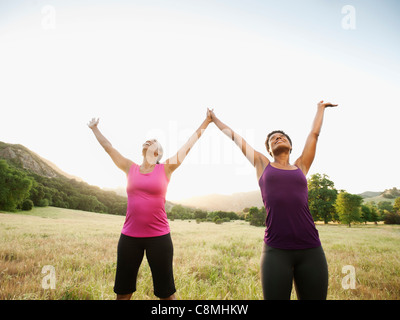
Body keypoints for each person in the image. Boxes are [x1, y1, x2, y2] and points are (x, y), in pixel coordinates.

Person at [209, 100, 337, 300]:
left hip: (311, 248)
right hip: (276, 250)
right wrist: (215, 119)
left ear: (291, 146)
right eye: (273, 139)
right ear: (268, 150)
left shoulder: (301, 166)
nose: (278, 138)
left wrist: (320, 109)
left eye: (282, 137)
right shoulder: (263, 165)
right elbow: (237, 138)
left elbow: (314, 134)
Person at [87, 109, 212, 300]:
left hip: (159, 237)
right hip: (129, 237)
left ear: (159, 152)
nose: (148, 140)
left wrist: (206, 121)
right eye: (147, 140)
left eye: (153, 141)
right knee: (123, 291)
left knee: (166, 293)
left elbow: (188, 145)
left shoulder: (166, 168)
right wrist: (95, 128)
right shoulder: (130, 168)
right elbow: (108, 147)